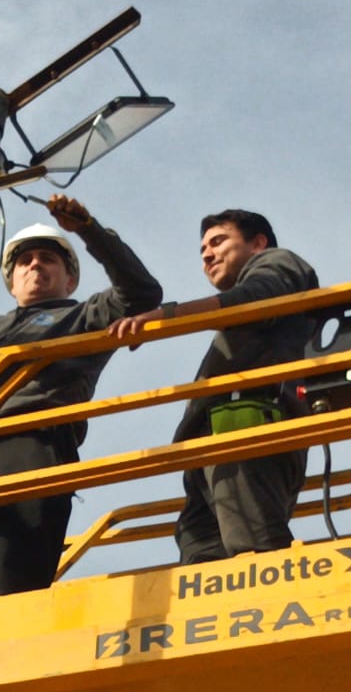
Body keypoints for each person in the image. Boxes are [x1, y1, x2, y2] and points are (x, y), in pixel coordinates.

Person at [0, 195, 161, 602]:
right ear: (10, 282)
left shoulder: (84, 316)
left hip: (30, 441)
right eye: (24, 261)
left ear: (70, 280)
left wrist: (88, 230)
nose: (35, 265)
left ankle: (12, 623)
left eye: (47, 258)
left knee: (15, 565)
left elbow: (142, 293)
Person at [109, 209, 318, 564]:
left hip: (249, 425)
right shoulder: (247, 306)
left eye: (219, 241)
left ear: (257, 243)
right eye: (203, 248)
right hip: (220, 434)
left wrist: (165, 316)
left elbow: (254, 299)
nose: (207, 254)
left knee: (255, 553)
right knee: (201, 555)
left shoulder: (278, 262)